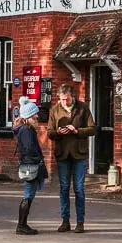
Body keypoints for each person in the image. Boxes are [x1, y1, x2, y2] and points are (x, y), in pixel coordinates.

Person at [47, 83, 96, 233]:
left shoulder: (82, 108)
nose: (64, 102)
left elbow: (93, 129)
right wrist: (58, 132)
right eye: (61, 100)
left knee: (79, 189)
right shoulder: (54, 110)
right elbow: (49, 132)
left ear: (72, 96)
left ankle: (80, 222)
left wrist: (77, 130)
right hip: (62, 154)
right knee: (64, 188)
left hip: (79, 154)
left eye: (66, 99)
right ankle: (65, 221)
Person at [14, 97, 48, 236]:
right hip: (30, 166)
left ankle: (22, 224)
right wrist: (37, 159)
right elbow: (29, 148)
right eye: (35, 114)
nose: (37, 116)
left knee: (29, 194)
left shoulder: (24, 129)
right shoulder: (27, 130)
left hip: (29, 164)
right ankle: (21, 225)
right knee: (28, 195)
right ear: (29, 116)